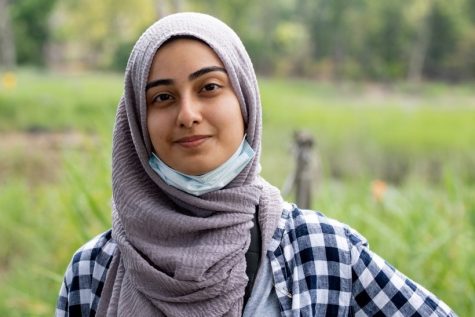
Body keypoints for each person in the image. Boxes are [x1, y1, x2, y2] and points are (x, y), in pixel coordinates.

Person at [56, 12, 456, 317]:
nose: (188, 114)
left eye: (209, 87)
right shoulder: (94, 270)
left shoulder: (322, 252)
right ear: (136, 124)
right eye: (162, 97)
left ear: (245, 100)